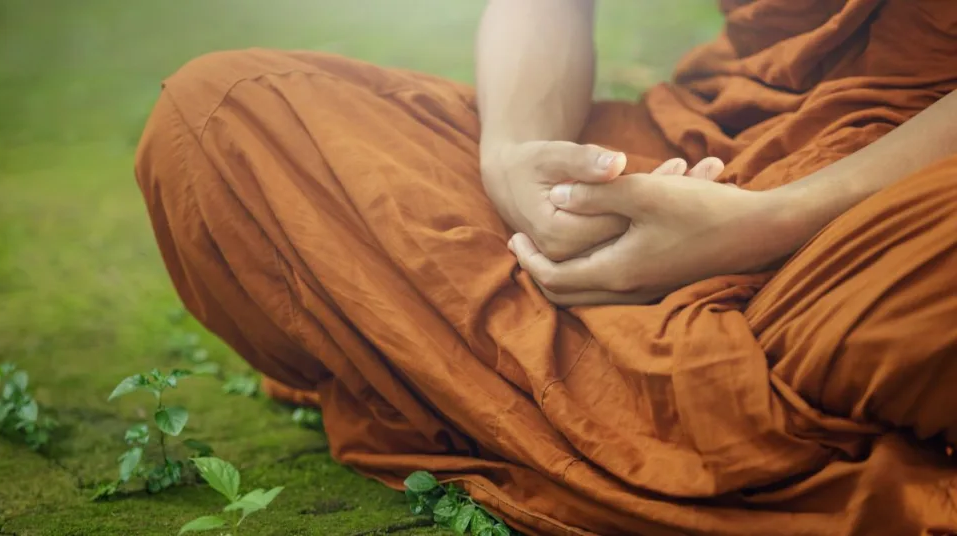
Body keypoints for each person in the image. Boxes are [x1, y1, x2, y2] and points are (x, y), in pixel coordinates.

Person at [134, 0, 957, 534]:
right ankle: (700, 400)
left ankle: (537, 384)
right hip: (698, 142)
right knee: (220, 117)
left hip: (898, 196)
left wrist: (774, 222)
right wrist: (521, 163)